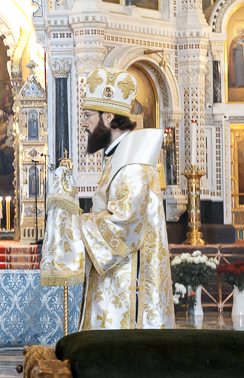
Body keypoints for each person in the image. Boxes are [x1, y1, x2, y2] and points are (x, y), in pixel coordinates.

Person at [41, 67, 174, 329]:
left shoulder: (132, 164)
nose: (84, 123)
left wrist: (74, 224)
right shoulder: (120, 156)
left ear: (109, 116)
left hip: (127, 290)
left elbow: (125, 227)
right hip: (114, 280)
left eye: (89, 116)